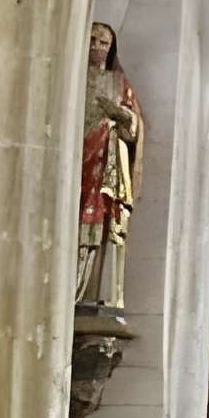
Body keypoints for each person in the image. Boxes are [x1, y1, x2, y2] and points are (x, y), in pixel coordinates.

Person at [78, 20, 143, 309]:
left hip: (106, 158)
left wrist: (119, 113)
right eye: (92, 40)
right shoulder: (74, 77)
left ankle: (90, 289)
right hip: (79, 156)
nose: (97, 47)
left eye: (103, 42)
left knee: (101, 225)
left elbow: (131, 126)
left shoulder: (119, 82)